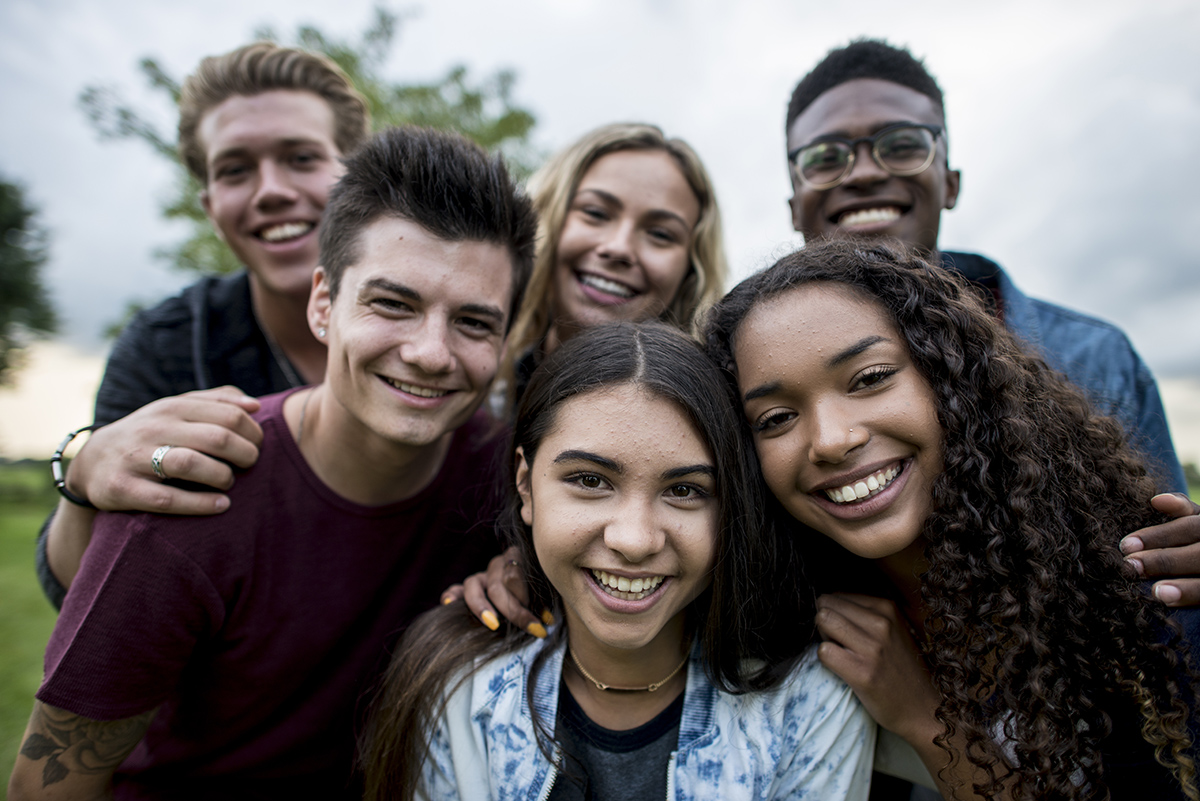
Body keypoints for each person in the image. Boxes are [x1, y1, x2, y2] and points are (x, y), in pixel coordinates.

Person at [8, 125, 537, 800]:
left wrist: (532, 568)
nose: (432, 352)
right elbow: (44, 787)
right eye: (393, 304)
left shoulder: (509, 481)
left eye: (472, 322)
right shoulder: (192, 496)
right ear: (324, 303)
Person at [704, 239, 1198, 800]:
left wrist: (926, 719)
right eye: (775, 418)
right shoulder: (781, 619)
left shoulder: (1131, 588)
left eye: (870, 378)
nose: (831, 440)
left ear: (953, 379)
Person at [361, 322, 874, 801]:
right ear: (526, 485)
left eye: (684, 490)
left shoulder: (805, 703)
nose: (634, 540)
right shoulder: (460, 684)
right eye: (590, 481)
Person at [782, 37, 1200, 611]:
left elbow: (1165, 576)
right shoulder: (746, 372)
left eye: (901, 145)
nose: (861, 172)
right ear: (794, 202)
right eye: (825, 157)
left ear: (949, 182)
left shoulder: (1093, 359)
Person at [37, 41, 368, 608]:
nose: (272, 190)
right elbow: (75, 590)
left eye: (302, 158)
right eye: (236, 170)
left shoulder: (444, 330)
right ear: (211, 207)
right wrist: (88, 477)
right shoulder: (166, 346)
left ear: (359, 178)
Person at [500, 122, 727, 406]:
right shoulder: (475, 395)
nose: (619, 247)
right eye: (595, 213)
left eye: (660, 233)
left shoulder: (714, 422)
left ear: (691, 271)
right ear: (547, 218)